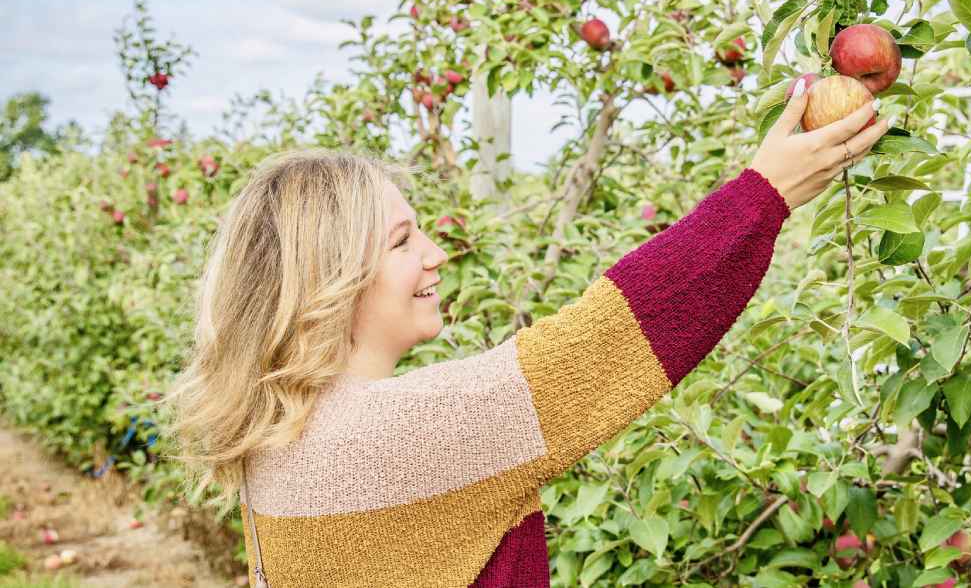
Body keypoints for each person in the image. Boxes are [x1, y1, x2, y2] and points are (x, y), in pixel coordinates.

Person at [160, 78, 888, 587]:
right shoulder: (406, 434)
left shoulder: (277, 436)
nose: (434, 255)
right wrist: (763, 196)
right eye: (402, 240)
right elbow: (611, 338)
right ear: (331, 279)